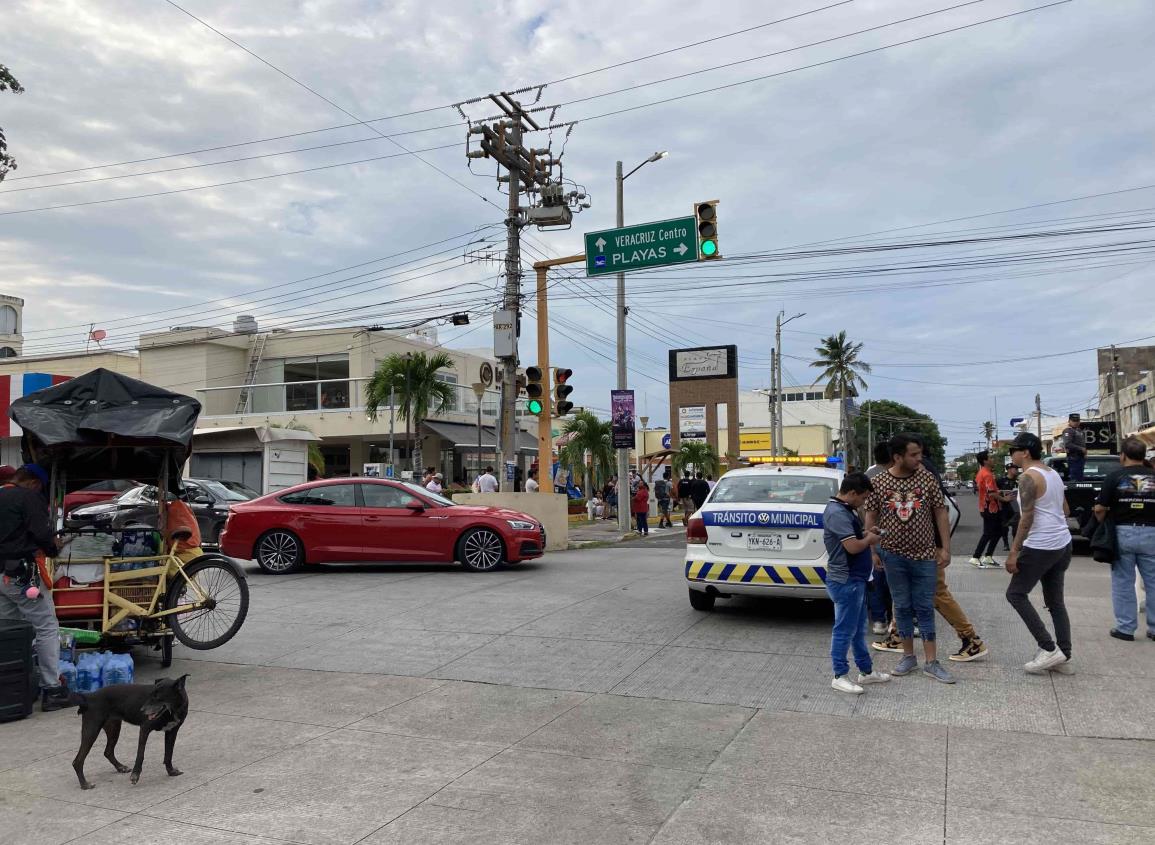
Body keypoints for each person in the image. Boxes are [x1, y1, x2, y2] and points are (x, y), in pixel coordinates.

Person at [864, 433, 956, 684]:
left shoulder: (926, 477)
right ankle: (908, 656)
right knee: (901, 606)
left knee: (925, 607)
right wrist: (873, 551)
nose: (919, 458)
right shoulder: (879, 482)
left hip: (925, 555)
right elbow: (870, 518)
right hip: (892, 555)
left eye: (920, 453)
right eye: (914, 454)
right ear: (898, 457)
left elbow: (940, 513)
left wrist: (945, 548)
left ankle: (932, 662)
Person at [0, 465, 71, 711]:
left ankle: (13, 689)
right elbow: (42, 533)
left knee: (10, 632)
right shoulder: (28, 497)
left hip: (1, 577)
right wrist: (54, 546)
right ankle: (52, 689)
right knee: (46, 627)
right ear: (33, 483)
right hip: (23, 576)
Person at [1004, 431, 1073, 673]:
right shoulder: (1052, 473)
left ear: (1025, 452)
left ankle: (1048, 648)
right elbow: (1065, 509)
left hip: (1040, 545)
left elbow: (1027, 518)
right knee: (1055, 602)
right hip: (1063, 542)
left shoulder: (1027, 478)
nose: (1010, 454)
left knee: (1015, 594)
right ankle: (1064, 654)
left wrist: (1014, 551)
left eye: (1013, 450)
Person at [823, 472, 892, 694]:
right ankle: (839, 675)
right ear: (852, 493)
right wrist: (870, 540)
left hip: (856, 579)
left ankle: (866, 671)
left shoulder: (845, 510)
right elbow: (852, 547)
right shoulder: (837, 513)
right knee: (844, 629)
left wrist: (865, 533)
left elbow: (853, 538)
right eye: (862, 497)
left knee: (857, 629)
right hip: (846, 580)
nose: (864, 502)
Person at [1093, 436, 1155, 642]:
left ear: (1123, 456)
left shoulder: (1114, 477)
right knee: (1153, 582)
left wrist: (1103, 521)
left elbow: (1100, 508)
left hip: (1123, 533)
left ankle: (1126, 628)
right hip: (1152, 533)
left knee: (1123, 581)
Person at [969, 451, 1003, 568]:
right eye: (991, 458)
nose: (993, 460)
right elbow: (991, 493)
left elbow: (988, 490)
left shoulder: (982, 473)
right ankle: (975, 557)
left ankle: (988, 556)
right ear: (985, 461)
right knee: (988, 533)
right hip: (990, 507)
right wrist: (1005, 499)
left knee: (998, 531)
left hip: (986, 507)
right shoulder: (987, 474)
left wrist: (1001, 492)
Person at [998, 463, 1021, 551]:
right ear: (1009, 470)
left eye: (1016, 469)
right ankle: (1006, 544)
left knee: (1016, 526)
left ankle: (1016, 544)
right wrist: (1002, 492)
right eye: (1015, 469)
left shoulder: (1019, 480)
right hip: (1004, 506)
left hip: (1016, 506)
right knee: (1004, 526)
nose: (1016, 470)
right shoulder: (1001, 480)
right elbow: (994, 491)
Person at [1059, 413, 1087, 481]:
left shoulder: (1079, 431)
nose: (1075, 422)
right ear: (1069, 421)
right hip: (1073, 457)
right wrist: (1081, 449)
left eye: (1077, 421)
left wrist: (1085, 453)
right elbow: (1068, 444)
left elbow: (1082, 443)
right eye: (1073, 421)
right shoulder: (1068, 431)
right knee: (1075, 478)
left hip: (1081, 457)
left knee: (1080, 478)